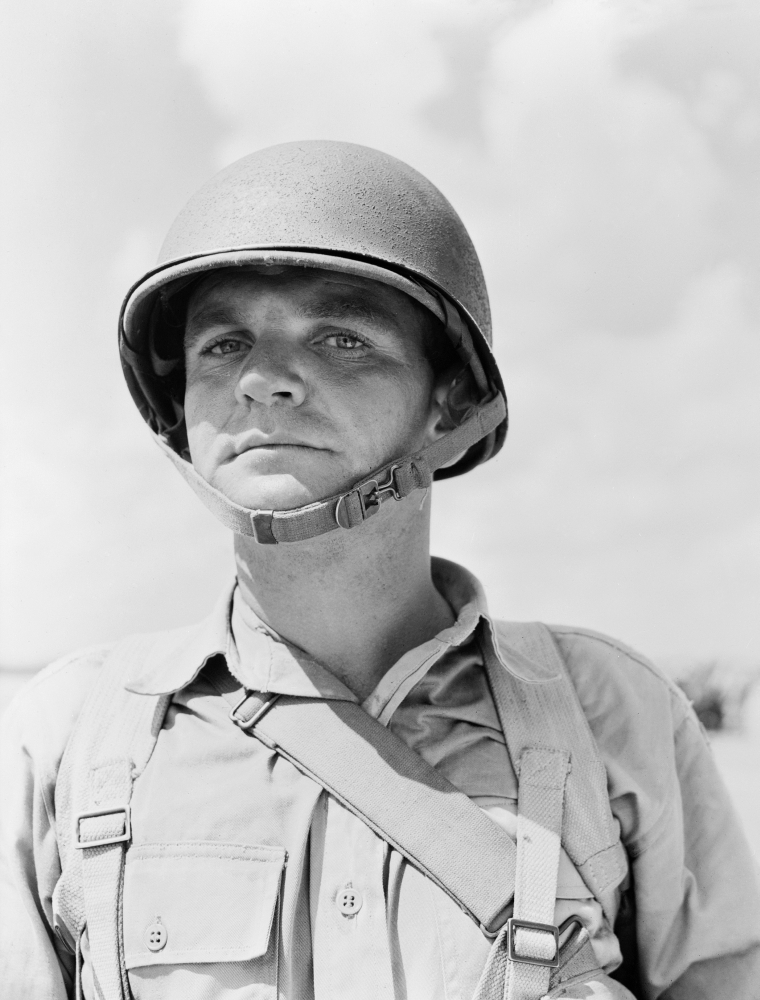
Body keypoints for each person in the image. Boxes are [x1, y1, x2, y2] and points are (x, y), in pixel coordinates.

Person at [1, 140, 758, 1000]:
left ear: (451, 399)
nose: (264, 380)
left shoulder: (616, 720)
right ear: (178, 406)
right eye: (223, 343)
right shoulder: (69, 741)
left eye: (342, 339)